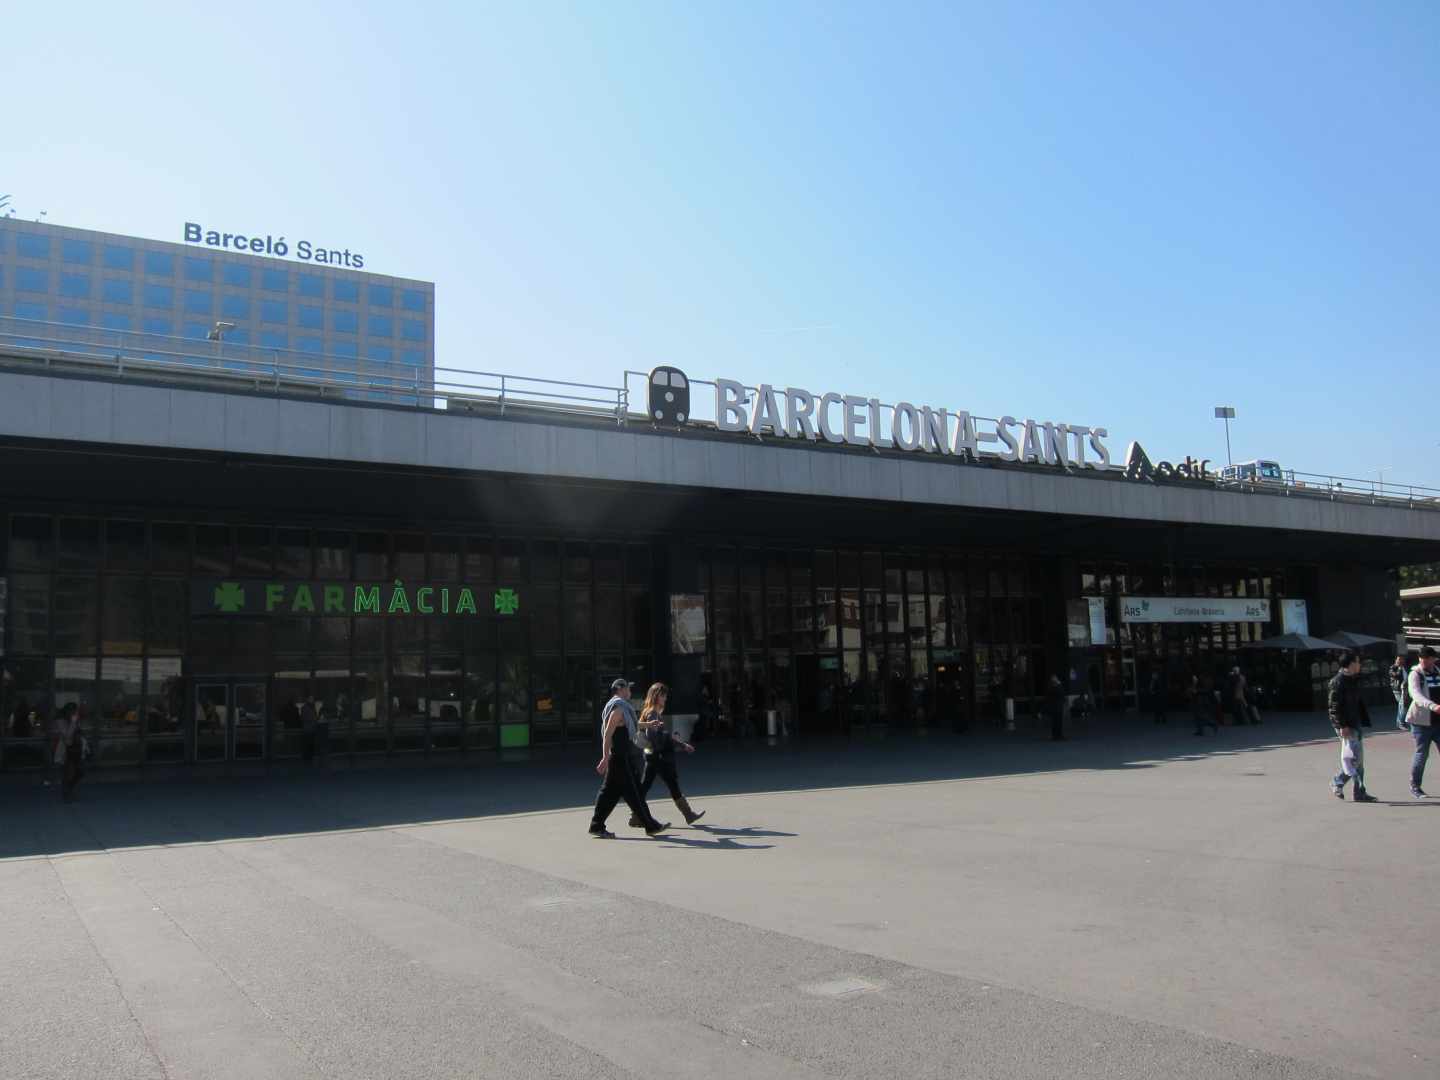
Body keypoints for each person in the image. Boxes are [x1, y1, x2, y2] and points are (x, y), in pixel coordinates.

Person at [589, 679, 668, 838]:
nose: (630, 691)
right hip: (618, 758)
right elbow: (607, 734)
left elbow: (632, 724)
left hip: (621, 757)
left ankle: (597, 825)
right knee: (633, 792)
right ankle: (650, 825)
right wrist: (605, 757)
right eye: (627, 688)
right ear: (620, 690)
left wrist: (649, 724)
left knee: (609, 793)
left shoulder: (623, 709)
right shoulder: (617, 709)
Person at [629, 683, 705, 826]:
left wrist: (679, 743)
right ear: (656, 696)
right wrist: (675, 742)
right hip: (659, 756)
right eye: (663, 696)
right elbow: (653, 735)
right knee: (671, 784)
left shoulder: (651, 711)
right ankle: (688, 815)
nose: (665, 699)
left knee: (647, 786)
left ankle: (636, 816)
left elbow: (657, 735)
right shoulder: (652, 713)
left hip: (653, 756)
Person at [1328, 651, 1376, 802]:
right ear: (1351, 664)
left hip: (1355, 723)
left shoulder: (1353, 679)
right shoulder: (1337, 682)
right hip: (1346, 725)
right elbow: (1333, 707)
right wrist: (1342, 725)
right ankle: (1341, 783)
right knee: (1355, 760)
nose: (1360, 665)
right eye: (1358, 662)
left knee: (1356, 760)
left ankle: (1358, 791)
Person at [1405, 646, 1440, 799]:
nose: (1423, 661)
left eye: (1426, 658)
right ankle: (1415, 786)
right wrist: (1432, 706)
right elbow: (1416, 695)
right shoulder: (1415, 674)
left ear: (1434, 659)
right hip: (1421, 722)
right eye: (1421, 658)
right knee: (1422, 754)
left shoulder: (1438, 671)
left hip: (1438, 721)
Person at [51, 703, 84, 803]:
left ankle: (69, 790)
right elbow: (67, 735)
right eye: (74, 711)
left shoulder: (73, 719)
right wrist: (73, 723)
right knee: (67, 773)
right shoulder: (60, 721)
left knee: (79, 771)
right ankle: (67, 794)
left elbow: (78, 732)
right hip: (66, 750)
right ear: (69, 712)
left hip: (76, 749)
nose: (76, 713)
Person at [1390, 655, 1411, 731]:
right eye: (1399, 659)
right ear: (1396, 660)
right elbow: (1395, 675)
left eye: (1402, 659)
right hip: (1397, 689)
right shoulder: (1393, 667)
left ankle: (1400, 722)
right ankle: (1401, 723)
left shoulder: (1405, 667)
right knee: (1403, 706)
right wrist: (1399, 668)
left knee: (1402, 706)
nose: (1400, 661)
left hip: (1405, 689)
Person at [1045, 675, 1066, 741]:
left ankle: (1056, 735)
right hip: (1057, 707)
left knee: (1056, 722)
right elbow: (1061, 693)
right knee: (1057, 722)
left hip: (1055, 707)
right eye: (1056, 679)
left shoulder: (1052, 687)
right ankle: (1058, 735)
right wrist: (1059, 684)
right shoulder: (1055, 687)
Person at [300, 696, 318, 763]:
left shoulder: (305, 708)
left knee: (309, 744)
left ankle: (308, 757)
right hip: (309, 729)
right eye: (311, 699)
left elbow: (303, 718)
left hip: (309, 729)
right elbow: (313, 717)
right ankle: (308, 757)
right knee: (309, 744)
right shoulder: (310, 708)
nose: (312, 700)